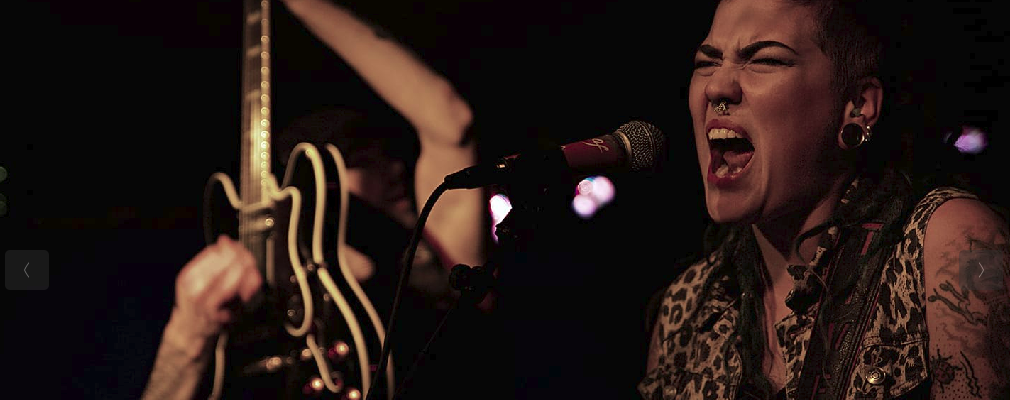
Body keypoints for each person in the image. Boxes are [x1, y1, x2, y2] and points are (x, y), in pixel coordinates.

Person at [639, 0, 1009, 399]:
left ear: (858, 106)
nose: (716, 88)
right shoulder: (685, 309)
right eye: (706, 62)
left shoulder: (961, 245)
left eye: (765, 60)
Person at [140, 0, 501, 399]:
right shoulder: (253, 305)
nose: (394, 169)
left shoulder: (434, 260)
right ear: (308, 185)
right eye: (362, 161)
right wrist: (184, 341)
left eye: (388, 155)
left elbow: (450, 122)